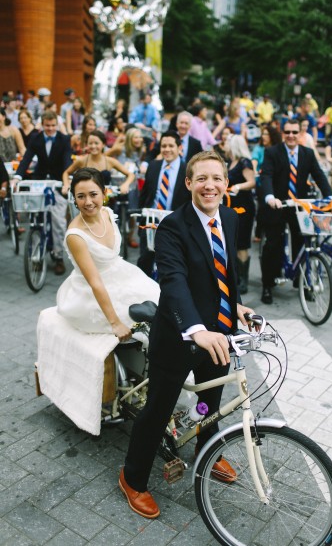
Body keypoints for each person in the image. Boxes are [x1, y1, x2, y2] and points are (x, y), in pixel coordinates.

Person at [119, 150, 254, 519]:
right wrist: (196, 330)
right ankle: (132, 478)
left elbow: (226, 275)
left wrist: (238, 307)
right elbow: (174, 282)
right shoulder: (172, 226)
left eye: (216, 178)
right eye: (202, 179)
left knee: (211, 400)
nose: (209, 185)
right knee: (158, 408)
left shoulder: (228, 216)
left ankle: (208, 451)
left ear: (226, 184)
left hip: (220, 332)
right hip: (179, 333)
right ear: (189, 183)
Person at [56, 167, 159, 336]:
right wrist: (115, 323)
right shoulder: (75, 235)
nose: (88, 202)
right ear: (74, 199)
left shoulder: (107, 213)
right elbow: (95, 282)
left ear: (104, 193)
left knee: (158, 299)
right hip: (91, 291)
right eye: (81, 196)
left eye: (93, 194)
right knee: (130, 317)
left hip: (122, 274)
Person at [259, 119, 332, 304]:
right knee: (272, 245)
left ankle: (302, 283)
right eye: (287, 132)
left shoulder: (307, 153)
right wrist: (269, 197)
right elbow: (266, 175)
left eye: (294, 132)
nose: (291, 135)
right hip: (278, 205)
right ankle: (267, 284)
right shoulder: (272, 152)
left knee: (302, 245)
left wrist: (330, 197)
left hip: (300, 207)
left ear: (300, 134)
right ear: (283, 133)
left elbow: (319, 175)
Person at [14, 111, 72, 275]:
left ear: (57, 124)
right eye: (47, 125)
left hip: (58, 182)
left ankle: (59, 256)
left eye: (53, 125)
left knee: (59, 220)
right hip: (38, 181)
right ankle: (36, 256)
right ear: (42, 124)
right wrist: (18, 177)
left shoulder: (64, 139)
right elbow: (27, 158)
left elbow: (67, 160)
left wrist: (66, 181)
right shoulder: (36, 138)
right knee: (36, 219)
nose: (50, 128)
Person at [137, 131, 191, 276]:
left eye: (170, 146)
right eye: (163, 146)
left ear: (179, 148)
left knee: (170, 262)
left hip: (174, 222)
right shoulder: (154, 166)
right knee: (145, 261)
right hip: (151, 221)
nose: (166, 149)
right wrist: (140, 219)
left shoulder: (188, 170)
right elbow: (145, 194)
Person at [62, 130, 134, 196]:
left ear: (103, 145)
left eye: (96, 143)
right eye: (90, 143)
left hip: (105, 201)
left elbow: (130, 175)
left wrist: (125, 185)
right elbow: (66, 172)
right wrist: (66, 184)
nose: (93, 146)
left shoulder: (110, 161)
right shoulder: (82, 160)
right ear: (87, 145)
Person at [227, 135, 256, 294]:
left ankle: (243, 281)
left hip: (244, 208)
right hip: (232, 207)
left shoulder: (245, 161)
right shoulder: (231, 162)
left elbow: (252, 182)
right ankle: (236, 276)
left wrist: (237, 186)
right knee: (234, 242)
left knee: (242, 243)